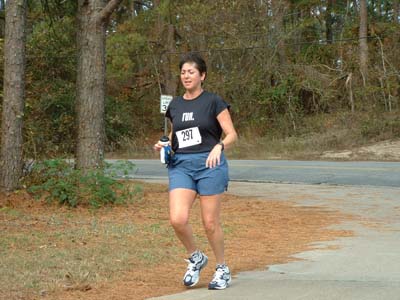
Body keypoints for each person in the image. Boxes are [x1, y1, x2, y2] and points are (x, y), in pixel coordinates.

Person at [154, 52, 237, 290]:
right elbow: (175, 135)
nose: (186, 76)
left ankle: (222, 268)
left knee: (210, 223)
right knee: (177, 219)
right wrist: (165, 144)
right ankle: (196, 257)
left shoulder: (214, 102)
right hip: (181, 165)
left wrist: (219, 147)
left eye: (191, 72)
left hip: (210, 164)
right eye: (183, 72)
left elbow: (232, 134)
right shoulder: (175, 105)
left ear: (202, 75)